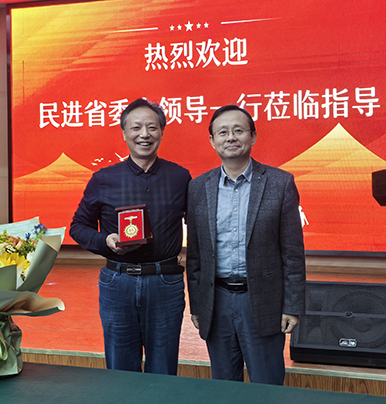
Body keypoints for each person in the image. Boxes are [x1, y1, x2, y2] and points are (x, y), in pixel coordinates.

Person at [186, 104, 306, 385]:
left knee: (267, 385)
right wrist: (198, 305)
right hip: (217, 302)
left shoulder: (280, 183)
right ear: (212, 140)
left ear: (253, 136)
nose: (231, 137)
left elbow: (292, 252)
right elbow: (196, 255)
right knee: (224, 386)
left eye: (238, 130)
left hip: (262, 301)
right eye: (223, 132)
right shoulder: (198, 187)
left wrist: (292, 305)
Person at [70, 98, 191, 375]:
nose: (144, 134)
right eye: (136, 127)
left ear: (162, 131)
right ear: (124, 133)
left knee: (163, 368)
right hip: (118, 282)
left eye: (152, 127)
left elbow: (196, 224)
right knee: (120, 369)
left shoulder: (180, 177)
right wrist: (106, 241)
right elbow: (78, 226)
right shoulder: (103, 179)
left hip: (165, 282)